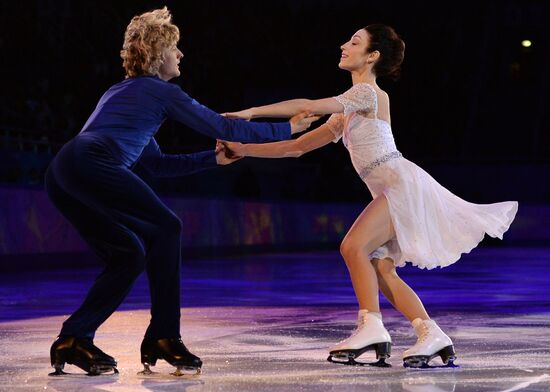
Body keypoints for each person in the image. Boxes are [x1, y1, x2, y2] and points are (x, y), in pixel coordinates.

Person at [221, 24, 518, 368]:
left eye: (354, 42)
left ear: (372, 56)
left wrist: (250, 113)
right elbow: (297, 147)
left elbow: (307, 104)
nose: (344, 45)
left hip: (399, 186)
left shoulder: (369, 95)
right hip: (392, 188)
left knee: (353, 247)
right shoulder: (348, 109)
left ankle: (371, 326)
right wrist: (243, 148)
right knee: (380, 267)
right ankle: (431, 333)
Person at [45, 7, 316, 377]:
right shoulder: (161, 91)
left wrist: (213, 160)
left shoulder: (122, 92)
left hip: (62, 171)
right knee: (167, 227)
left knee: (128, 255)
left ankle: (74, 337)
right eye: (176, 48)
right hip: (91, 161)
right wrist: (287, 129)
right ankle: (164, 336)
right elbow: (221, 125)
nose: (181, 55)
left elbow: (157, 164)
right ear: (159, 54)